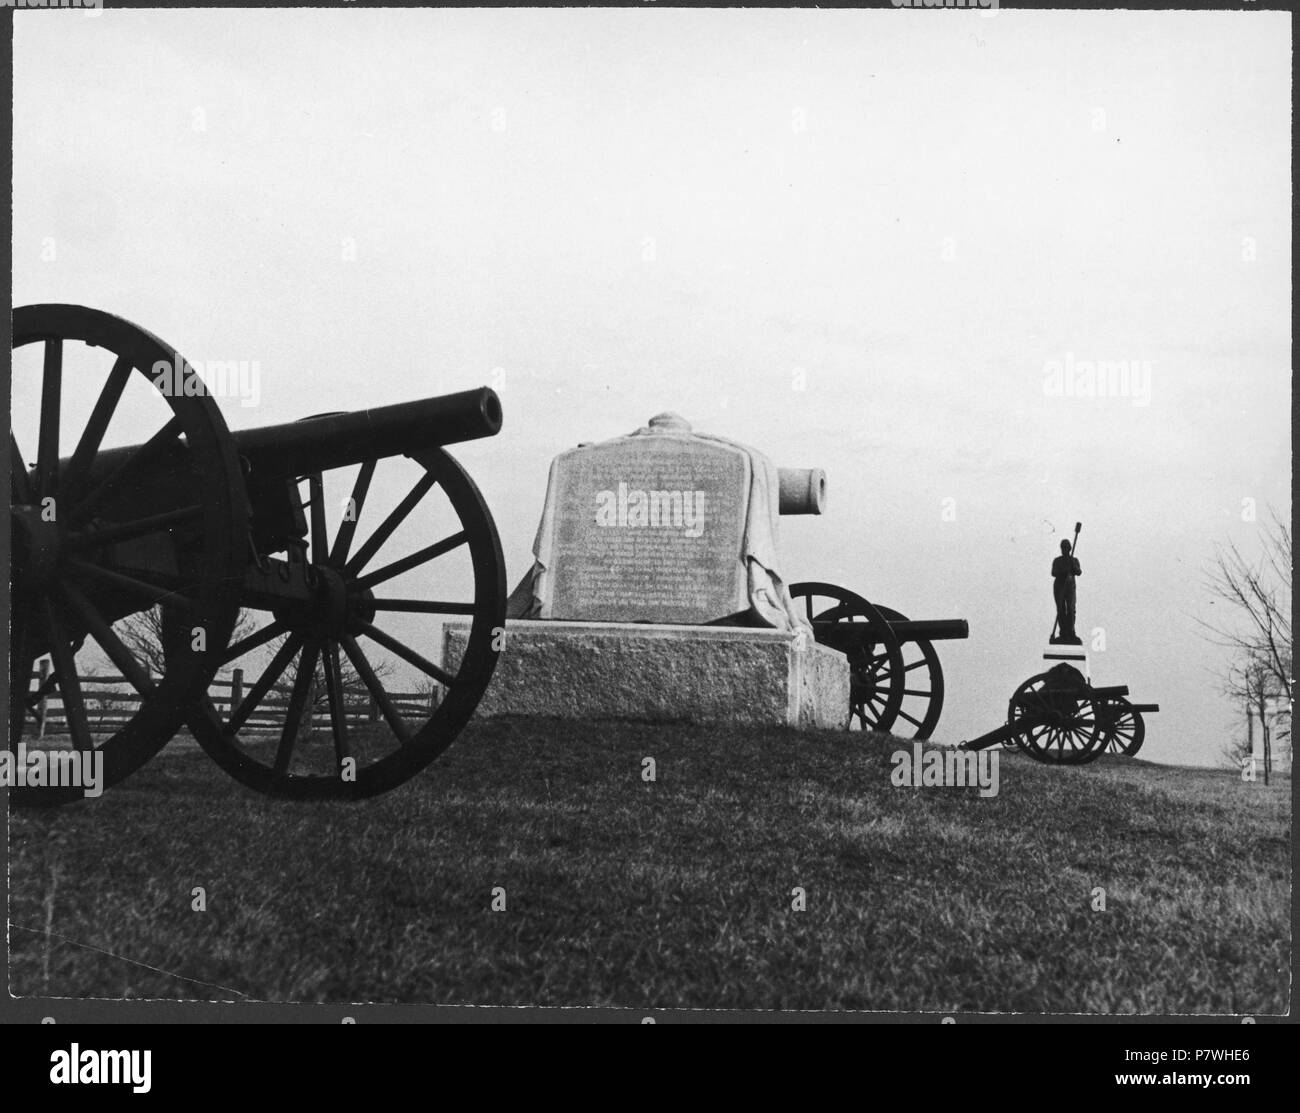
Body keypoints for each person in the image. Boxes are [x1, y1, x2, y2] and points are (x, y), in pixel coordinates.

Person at [1051, 539, 1082, 644]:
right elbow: (1053, 572)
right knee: (1061, 609)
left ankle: (1071, 632)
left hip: (1070, 587)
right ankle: (1063, 633)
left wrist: (1072, 566)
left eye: (1066, 548)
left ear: (1069, 549)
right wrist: (1063, 571)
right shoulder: (1057, 560)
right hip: (1059, 587)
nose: (1064, 550)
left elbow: (1079, 572)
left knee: (1071, 609)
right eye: (1062, 548)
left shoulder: (1074, 560)